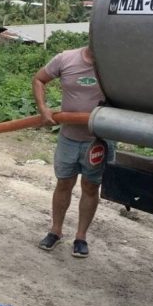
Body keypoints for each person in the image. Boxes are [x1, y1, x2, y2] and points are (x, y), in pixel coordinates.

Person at [32, 45, 112, 258]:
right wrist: (43, 109)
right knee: (64, 183)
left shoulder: (116, 64)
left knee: (90, 187)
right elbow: (39, 79)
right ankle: (55, 231)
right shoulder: (66, 59)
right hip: (69, 137)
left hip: (99, 141)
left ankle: (81, 237)